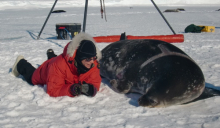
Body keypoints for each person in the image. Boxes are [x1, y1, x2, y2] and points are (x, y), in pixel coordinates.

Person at [11, 33, 102, 97]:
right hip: (48, 69)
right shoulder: (58, 65)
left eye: (93, 58)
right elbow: (53, 90)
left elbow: (95, 82)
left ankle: (51, 55)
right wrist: (71, 89)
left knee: (54, 60)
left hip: (57, 63)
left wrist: (92, 88)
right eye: (88, 59)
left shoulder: (93, 64)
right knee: (33, 78)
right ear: (79, 58)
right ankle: (20, 63)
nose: (92, 61)